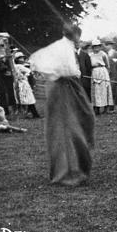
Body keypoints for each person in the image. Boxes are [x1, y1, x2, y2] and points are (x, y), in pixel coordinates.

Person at [30, 23, 95, 186]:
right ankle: (69, 173)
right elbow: (65, 71)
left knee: (79, 122)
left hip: (65, 88)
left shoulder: (60, 46)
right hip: (63, 90)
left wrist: (71, 73)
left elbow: (39, 62)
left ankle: (74, 169)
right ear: (75, 36)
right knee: (68, 128)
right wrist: (73, 73)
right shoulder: (63, 48)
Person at [12, 52, 40, 118]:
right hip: (23, 84)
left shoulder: (15, 66)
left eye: (23, 58)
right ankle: (34, 114)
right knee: (29, 99)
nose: (23, 59)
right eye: (21, 58)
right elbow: (30, 72)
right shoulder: (20, 66)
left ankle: (27, 113)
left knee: (24, 99)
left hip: (18, 83)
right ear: (17, 59)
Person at [89, 39, 113, 115]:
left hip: (103, 71)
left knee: (104, 89)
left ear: (100, 47)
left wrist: (107, 74)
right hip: (94, 71)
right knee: (96, 90)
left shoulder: (103, 54)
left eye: (98, 46)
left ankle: (106, 107)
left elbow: (107, 65)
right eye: (95, 46)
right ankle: (96, 108)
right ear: (92, 47)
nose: (96, 48)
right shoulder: (90, 55)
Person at [104, 40, 117, 113]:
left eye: (108, 45)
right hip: (107, 75)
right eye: (106, 45)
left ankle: (113, 107)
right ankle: (108, 107)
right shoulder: (104, 54)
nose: (107, 46)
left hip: (115, 75)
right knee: (108, 91)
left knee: (114, 90)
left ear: (111, 45)